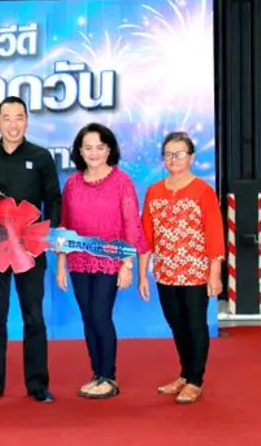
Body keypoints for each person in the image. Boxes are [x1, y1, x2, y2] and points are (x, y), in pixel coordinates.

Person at [0, 95, 61, 404]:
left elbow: (54, 199)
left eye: (19, 117)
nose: (13, 124)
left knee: (33, 315)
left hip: (31, 250)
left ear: (27, 121)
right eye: (6, 118)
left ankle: (37, 384)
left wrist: (48, 235)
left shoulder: (41, 157)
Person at [55, 123, 149, 399]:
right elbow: (64, 226)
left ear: (109, 150)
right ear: (79, 151)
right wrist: (61, 264)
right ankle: (97, 373)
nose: (93, 153)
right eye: (88, 148)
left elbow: (131, 225)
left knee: (100, 314)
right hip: (78, 260)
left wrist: (127, 265)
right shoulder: (72, 184)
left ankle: (109, 376)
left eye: (99, 147)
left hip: (111, 260)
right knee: (87, 317)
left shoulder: (121, 182)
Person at [139, 131, 224, 404]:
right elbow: (146, 236)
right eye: (168, 154)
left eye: (179, 154)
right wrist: (142, 274)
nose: (173, 159)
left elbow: (214, 233)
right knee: (176, 324)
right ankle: (185, 373)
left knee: (195, 325)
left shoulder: (203, 191)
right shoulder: (154, 191)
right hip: (165, 272)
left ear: (191, 158)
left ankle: (195, 381)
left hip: (195, 272)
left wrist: (214, 274)